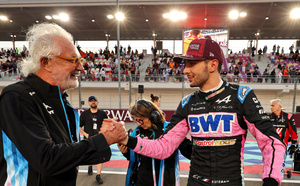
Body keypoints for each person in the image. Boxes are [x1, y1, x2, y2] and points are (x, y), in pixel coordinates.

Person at [108, 38, 286, 186]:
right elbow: (163, 147)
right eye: (186, 64)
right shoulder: (187, 103)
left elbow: (272, 143)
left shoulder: (241, 96)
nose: (185, 70)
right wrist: (125, 138)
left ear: (212, 65)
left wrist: (270, 180)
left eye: (192, 63)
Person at [0, 23, 126, 185]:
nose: (81, 68)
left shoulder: (64, 104)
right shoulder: (18, 97)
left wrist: (107, 139)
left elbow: (68, 157)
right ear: (46, 62)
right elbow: (47, 159)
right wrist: (104, 139)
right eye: (73, 60)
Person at [117, 99, 191, 186]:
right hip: (141, 181)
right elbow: (135, 159)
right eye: (136, 120)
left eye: (141, 120)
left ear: (153, 116)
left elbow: (188, 150)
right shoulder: (137, 132)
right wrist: (125, 152)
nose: (138, 124)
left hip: (166, 182)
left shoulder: (170, 130)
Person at [80, 96, 108, 184]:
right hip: (89, 138)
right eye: (91, 101)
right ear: (88, 103)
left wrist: (103, 133)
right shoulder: (84, 114)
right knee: (89, 154)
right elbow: (79, 126)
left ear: (97, 102)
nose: (93, 102)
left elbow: (106, 125)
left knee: (100, 156)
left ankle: (98, 175)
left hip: (100, 138)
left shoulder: (103, 114)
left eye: (95, 100)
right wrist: (85, 134)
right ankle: (90, 165)